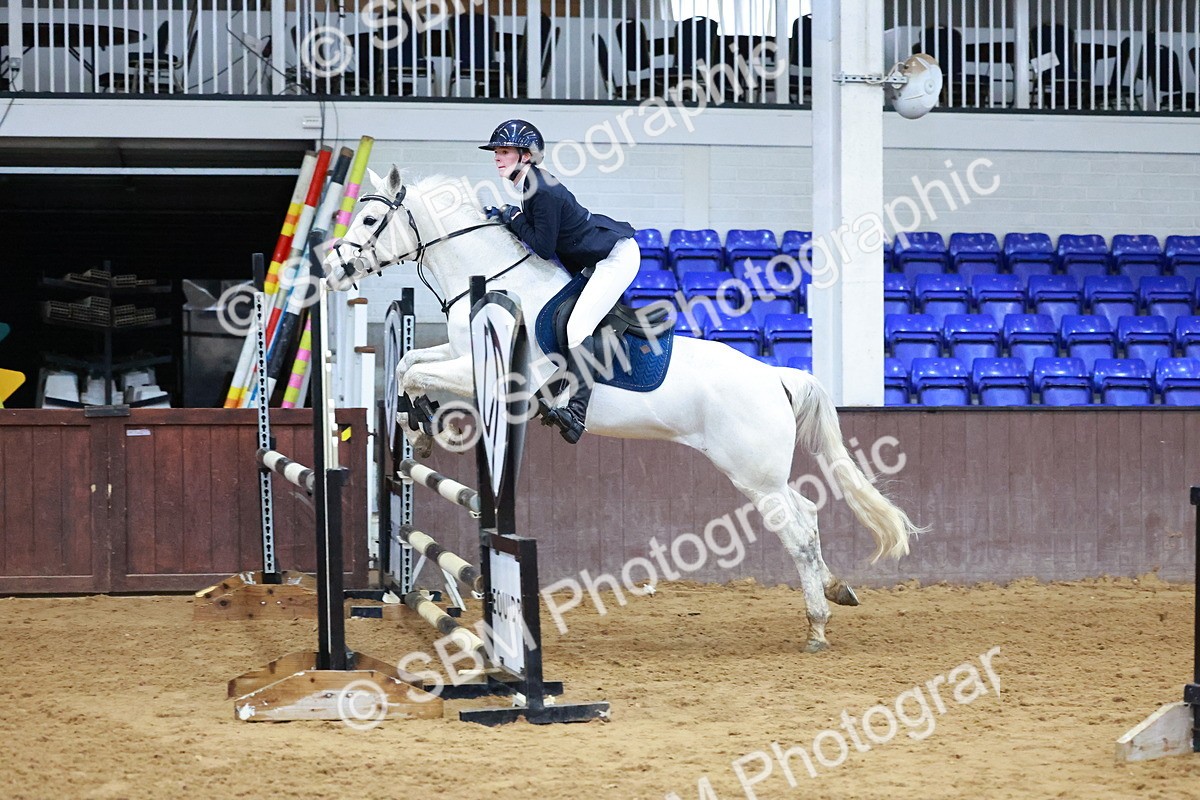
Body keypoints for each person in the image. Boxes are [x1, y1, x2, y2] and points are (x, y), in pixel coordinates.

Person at [479, 119, 640, 444]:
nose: (497, 156)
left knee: (577, 327)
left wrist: (512, 218)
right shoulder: (529, 186)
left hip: (614, 257)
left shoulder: (542, 189)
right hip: (591, 258)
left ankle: (576, 413)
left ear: (526, 156)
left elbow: (542, 247)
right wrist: (511, 217)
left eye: (504, 151)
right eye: (496, 151)